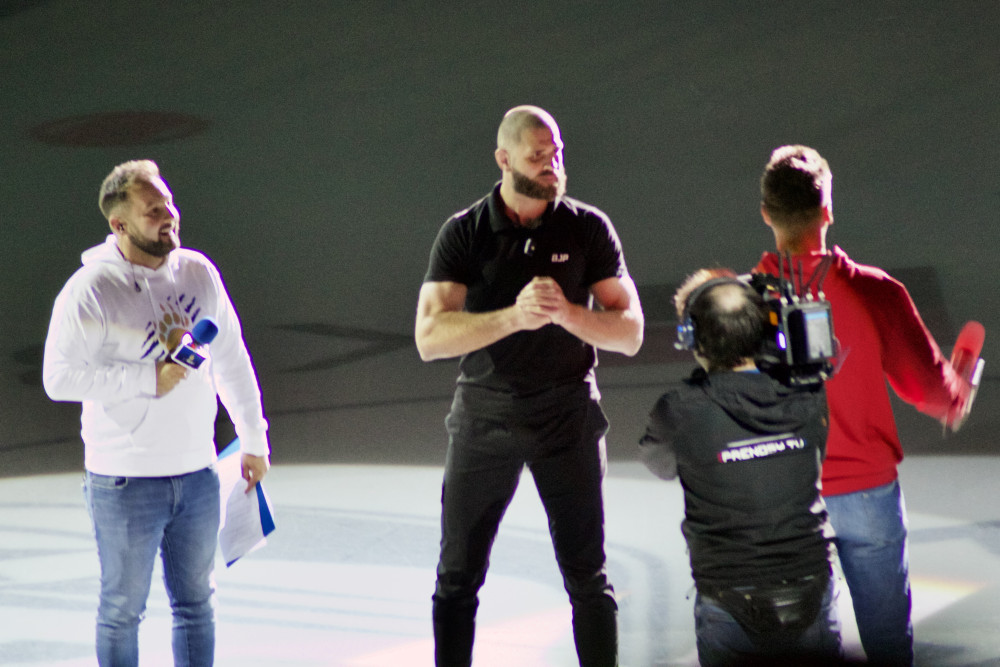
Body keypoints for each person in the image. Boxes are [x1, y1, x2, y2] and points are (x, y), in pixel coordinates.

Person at [414, 105, 643, 667]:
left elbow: (631, 331)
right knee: (456, 578)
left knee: (588, 576)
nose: (552, 165)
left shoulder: (587, 226)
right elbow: (429, 337)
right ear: (504, 158)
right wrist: (515, 318)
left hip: (567, 415)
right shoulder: (465, 231)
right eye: (538, 155)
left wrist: (567, 313)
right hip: (485, 416)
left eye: (557, 153)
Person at [42, 159, 270, 667]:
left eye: (168, 203)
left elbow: (232, 358)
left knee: (197, 605)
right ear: (119, 225)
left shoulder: (198, 272)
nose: (169, 216)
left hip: (198, 474)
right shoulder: (90, 290)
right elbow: (58, 377)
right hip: (124, 482)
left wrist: (254, 439)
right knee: (122, 611)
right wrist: (148, 379)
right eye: (152, 211)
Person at [755, 145, 972, 666]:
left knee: (806, 648)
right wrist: (955, 394)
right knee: (888, 643)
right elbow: (931, 391)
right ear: (827, 211)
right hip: (867, 494)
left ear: (766, 214)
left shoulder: (740, 301)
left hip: (783, 500)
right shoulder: (876, 292)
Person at [639, 269, 842, 666]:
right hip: (810, 582)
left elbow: (659, 464)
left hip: (729, 592)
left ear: (693, 338)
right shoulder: (809, 393)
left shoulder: (679, 409)